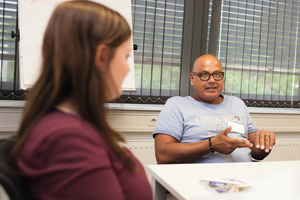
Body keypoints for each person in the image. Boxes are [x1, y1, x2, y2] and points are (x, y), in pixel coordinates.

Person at [12, 1, 152, 199]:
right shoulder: (67, 140)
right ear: (102, 57)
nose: (129, 68)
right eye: (126, 56)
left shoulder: (72, 126)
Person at [153, 54, 276, 164]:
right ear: (192, 79)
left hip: (243, 179)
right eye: (204, 75)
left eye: (217, 75)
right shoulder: (176, 105)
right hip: (199, 181)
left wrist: (264, 142)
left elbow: (256, 153)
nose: (212, 80)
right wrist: (212, 145)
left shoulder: (237, 104)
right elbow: (163, 155)